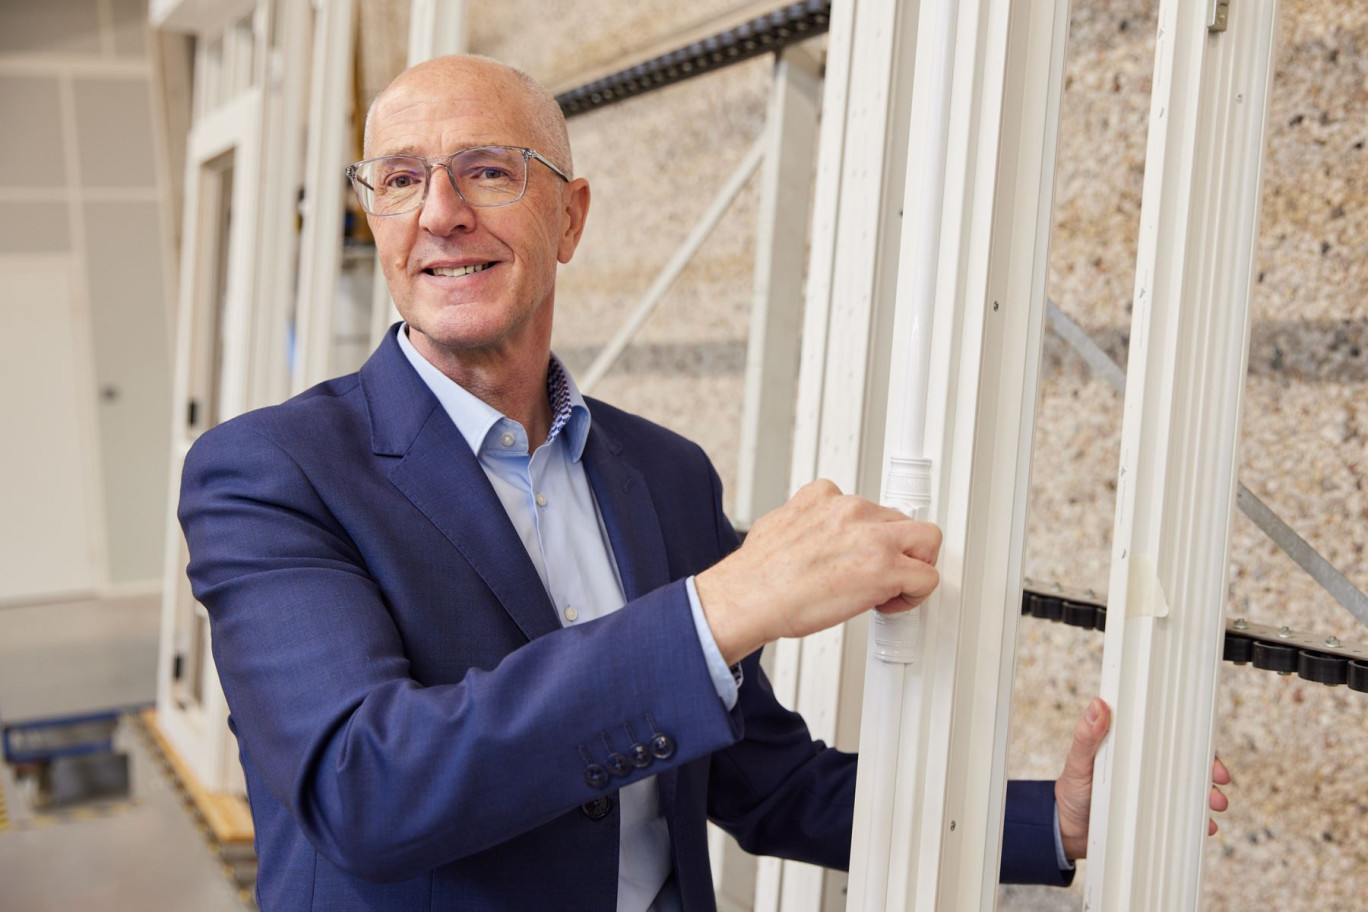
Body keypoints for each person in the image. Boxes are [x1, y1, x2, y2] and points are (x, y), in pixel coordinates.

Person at [178, 54, 1229, 912]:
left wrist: (1050, 821)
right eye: (402, 179)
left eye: (488, 170)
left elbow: (762, 783)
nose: (440, 213)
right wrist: (721, 608)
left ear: (571, 217)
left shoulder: (664, 475)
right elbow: (371, 787)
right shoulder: (271, 472)